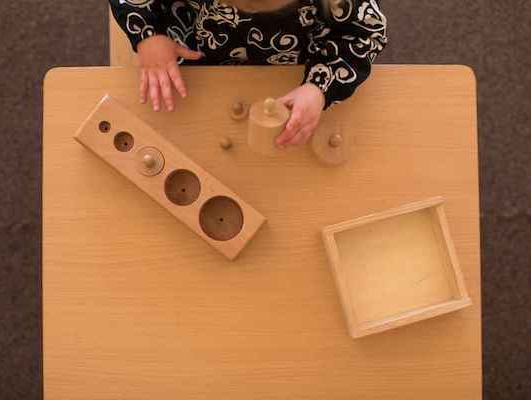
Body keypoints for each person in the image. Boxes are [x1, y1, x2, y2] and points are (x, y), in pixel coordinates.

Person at [109, 0, 387, 146]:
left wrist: (319, 88)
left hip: (293, 71)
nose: (245, 10)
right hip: (198, 52)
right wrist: (148, 35)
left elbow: (364, 36)